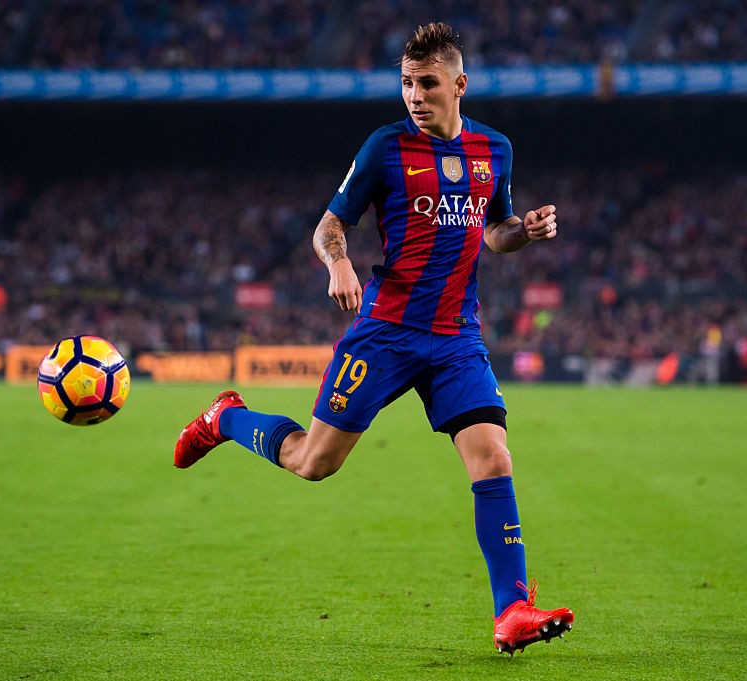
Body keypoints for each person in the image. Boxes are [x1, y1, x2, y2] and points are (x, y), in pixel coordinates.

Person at [174, 21, 574, 655]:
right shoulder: (385, 149)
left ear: (460, 84)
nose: (415, 95)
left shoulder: (494, 150)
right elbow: (330, 225)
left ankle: (512, 611)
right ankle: (227, 419)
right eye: (407, 83)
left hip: (456, 339)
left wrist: (524, 230)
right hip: (385, 332)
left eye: (428, 83)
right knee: (314, 463)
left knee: (493, 458)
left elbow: (495, 231)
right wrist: (339, 262)